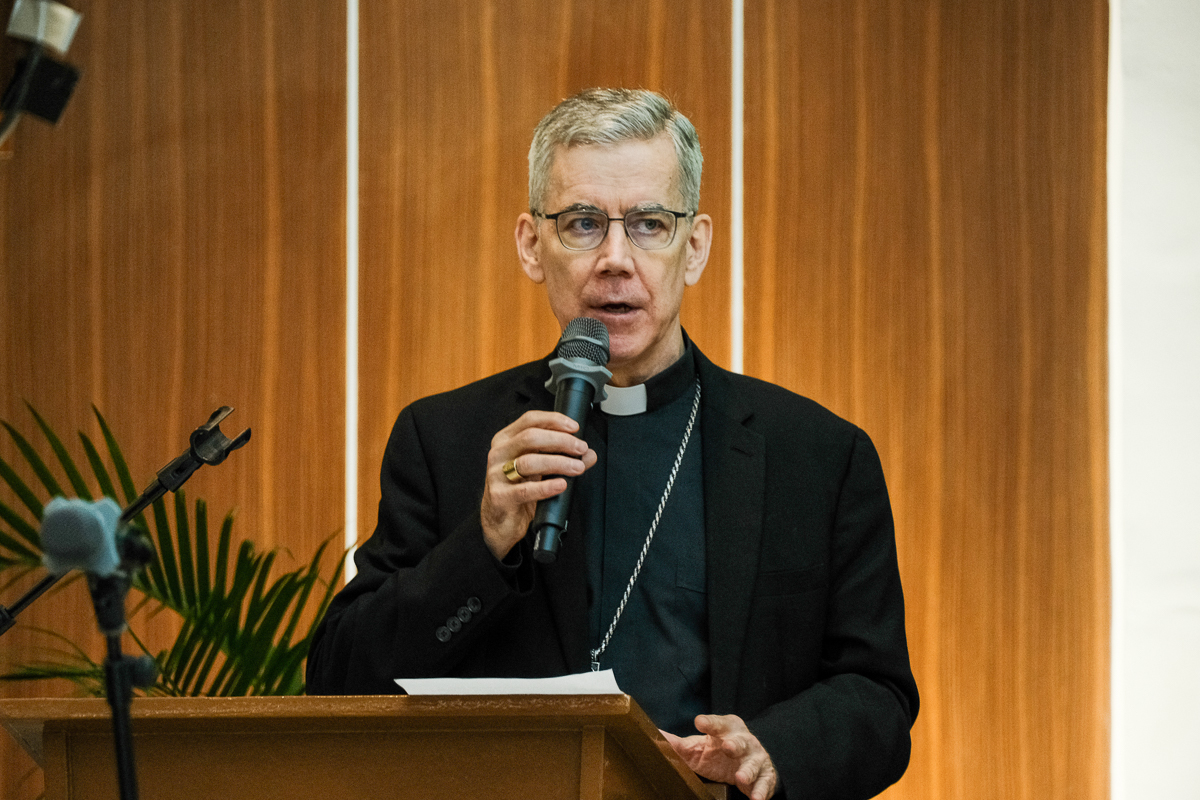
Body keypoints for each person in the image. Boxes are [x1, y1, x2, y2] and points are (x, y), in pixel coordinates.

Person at [306, 88, 918, 800]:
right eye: (583, 223)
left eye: (651, 224)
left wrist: (772, 750)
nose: (616, 259)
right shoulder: (444, 439)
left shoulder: (817, 457)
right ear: (532, 245)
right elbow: (341, 676)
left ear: (696, 247)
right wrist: (483, 543)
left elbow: (878, 696)